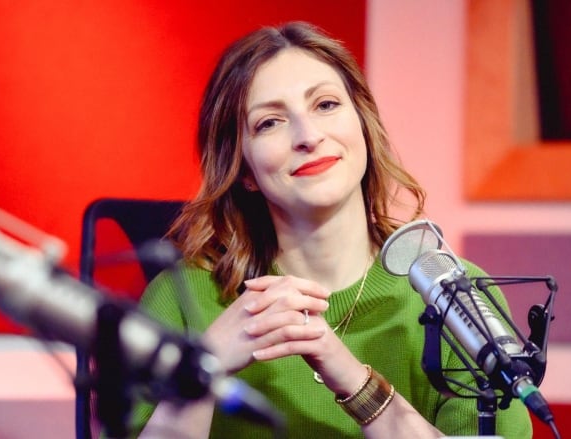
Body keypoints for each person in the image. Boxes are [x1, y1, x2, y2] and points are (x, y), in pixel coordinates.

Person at [129, 21, 532, 438]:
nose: (308, 136)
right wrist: (202, 366)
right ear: (243, 169)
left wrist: (352, 380)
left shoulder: (455, 295)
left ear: (362, 124)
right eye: (269, 122)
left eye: (325, 105)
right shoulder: (179, 300)